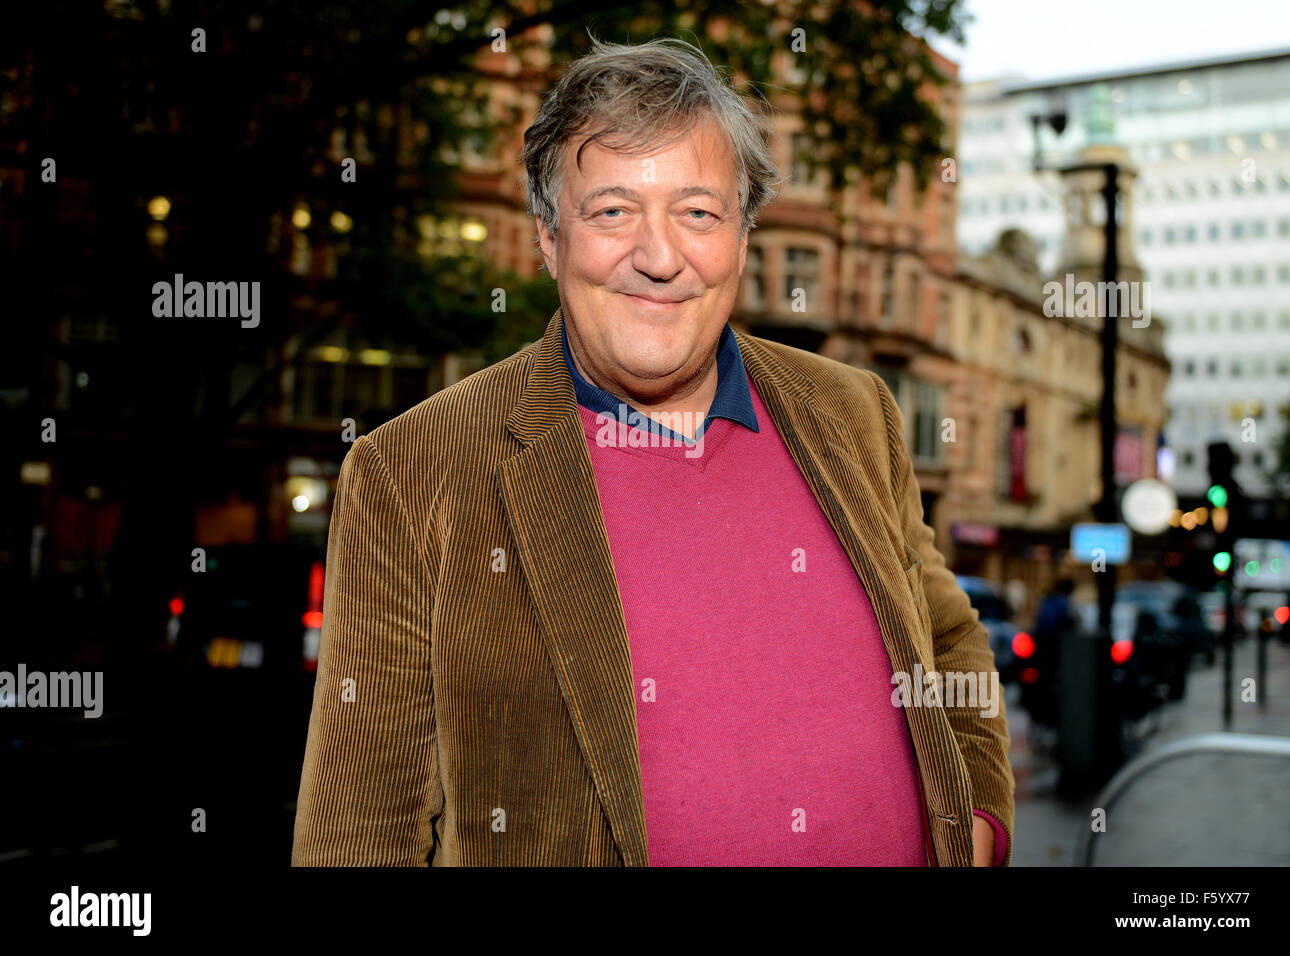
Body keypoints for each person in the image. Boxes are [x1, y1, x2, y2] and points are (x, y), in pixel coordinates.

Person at [291, 37, 1013, 867]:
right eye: (612, 211)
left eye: (698, 212)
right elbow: (357, 833)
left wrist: (979, 827)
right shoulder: (411, 473)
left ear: (741, 238)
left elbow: (950, 644)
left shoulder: (853, 412)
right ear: (549, 239)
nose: (660, 257)